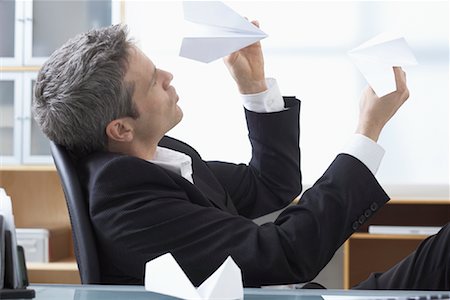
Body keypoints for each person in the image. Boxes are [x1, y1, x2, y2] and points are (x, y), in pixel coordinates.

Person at [32, 24, 449, 290]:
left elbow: (271, 185)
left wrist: (253, 88)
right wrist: (368, 131)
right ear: (121, 128)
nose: (168, 77)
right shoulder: (126, 198)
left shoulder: (159, 156)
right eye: (153, 82)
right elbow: (285, 254)